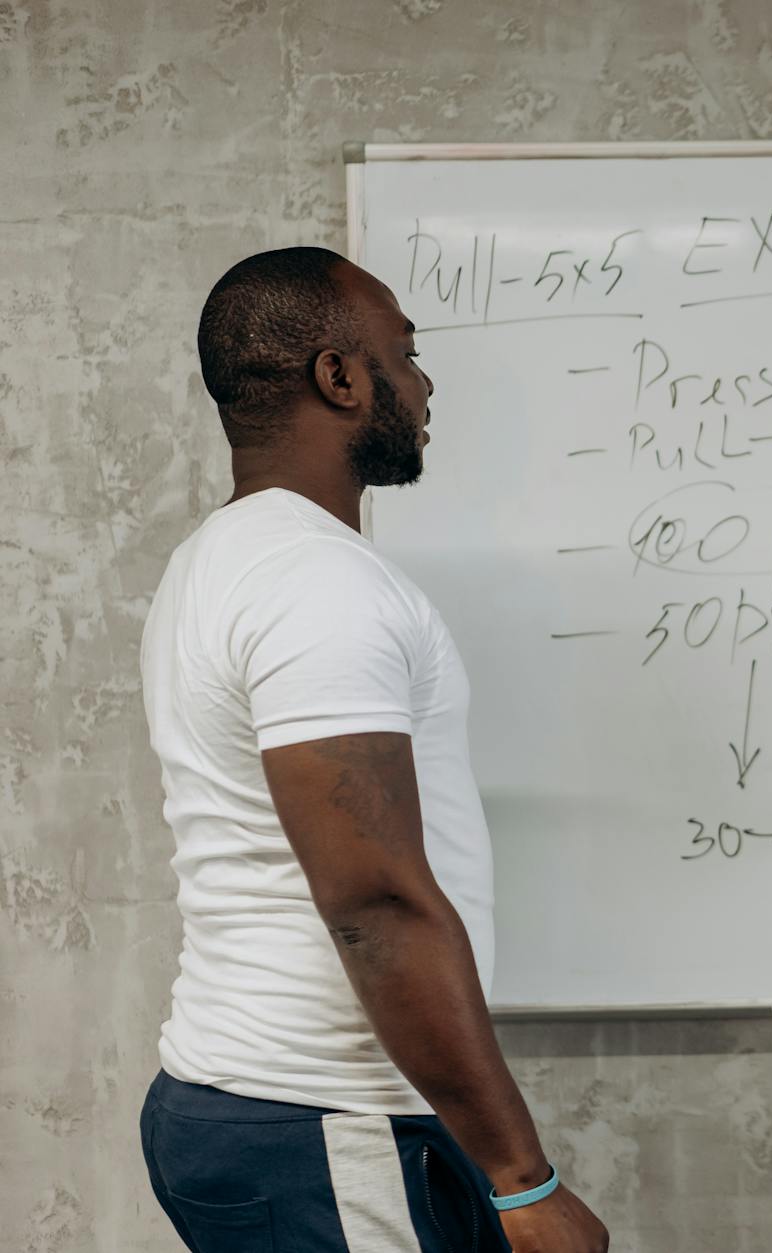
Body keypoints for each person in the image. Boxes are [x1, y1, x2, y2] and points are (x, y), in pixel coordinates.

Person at [139, 247, 608, 1252]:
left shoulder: (220, 559)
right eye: (406, 352)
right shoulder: (318, 584)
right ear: (339, 377)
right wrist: (524, 1184)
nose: (425, 381)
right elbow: (374, 902)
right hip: (319, 1117)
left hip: (277, 1106)